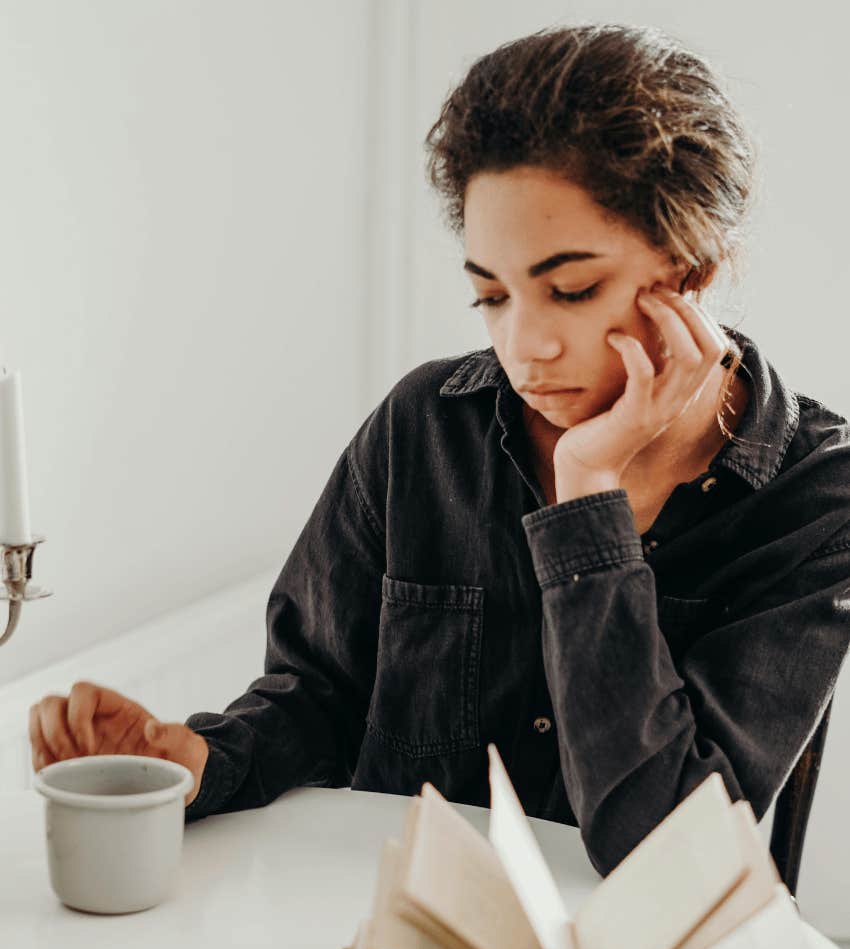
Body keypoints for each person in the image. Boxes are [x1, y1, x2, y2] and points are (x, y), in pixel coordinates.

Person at [27, 23, 850, 877]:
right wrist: (199, 761)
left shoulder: (816, 498)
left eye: (570, 290)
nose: (524, 345)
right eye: (490, 296)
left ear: (693, 270)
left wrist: (586, 501)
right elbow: (318, 695)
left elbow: (668, 853)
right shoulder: (424, 426)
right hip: (408, 944)